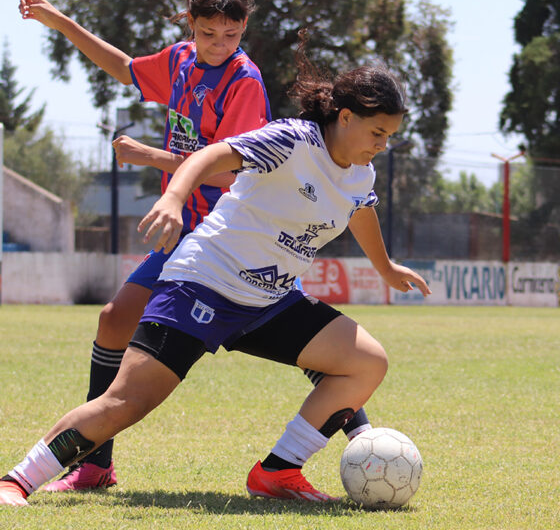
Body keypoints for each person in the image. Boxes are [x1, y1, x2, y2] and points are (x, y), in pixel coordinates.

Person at [0, 29, 431, 506]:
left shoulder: (361, 171)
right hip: (203, 284)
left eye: (389, 137)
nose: (382, 146)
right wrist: (174, 196)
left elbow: (361, 208)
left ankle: (278, 472)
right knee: (127, 402)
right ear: (346, 117)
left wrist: (386, 266)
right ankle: (17, 479)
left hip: (268, 300)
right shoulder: (292, 141)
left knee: (366, 363)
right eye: (377, 133)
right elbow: (211, 155)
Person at [17, 0, 271, 491]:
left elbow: (234, 168)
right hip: (184, 232)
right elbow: (126, 68)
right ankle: (94, 466)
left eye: (232, 33)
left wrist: (149, 156)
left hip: (229, 234)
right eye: (208, 33)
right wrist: (63, 23)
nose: (220, 43)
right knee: (113, 321)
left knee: (294, 332)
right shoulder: (179, 60)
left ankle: (354, 425)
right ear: (190, 22)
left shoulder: (244, 82)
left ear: (244, 26)